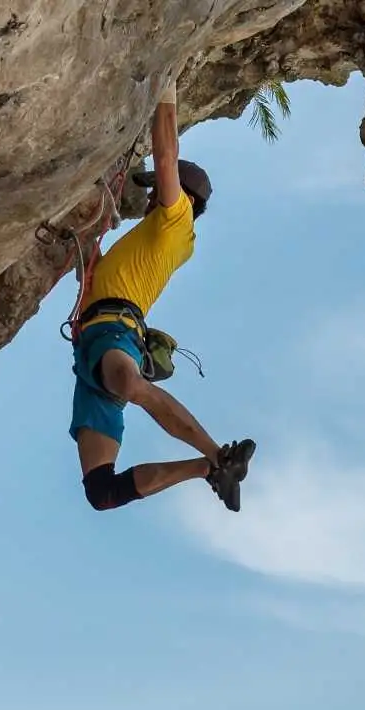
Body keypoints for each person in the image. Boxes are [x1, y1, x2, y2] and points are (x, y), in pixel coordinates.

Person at [65, 77, 254, 513]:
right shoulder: (159, 236)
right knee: (102, 492)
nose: (149, 195)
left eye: (155, 190)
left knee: (131, 385)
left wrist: (164, 86)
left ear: (180, 197)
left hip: (114, 334)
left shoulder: (177, 221)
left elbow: (166, 155)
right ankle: (211, 469)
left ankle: (219, 456)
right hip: (94, 351)